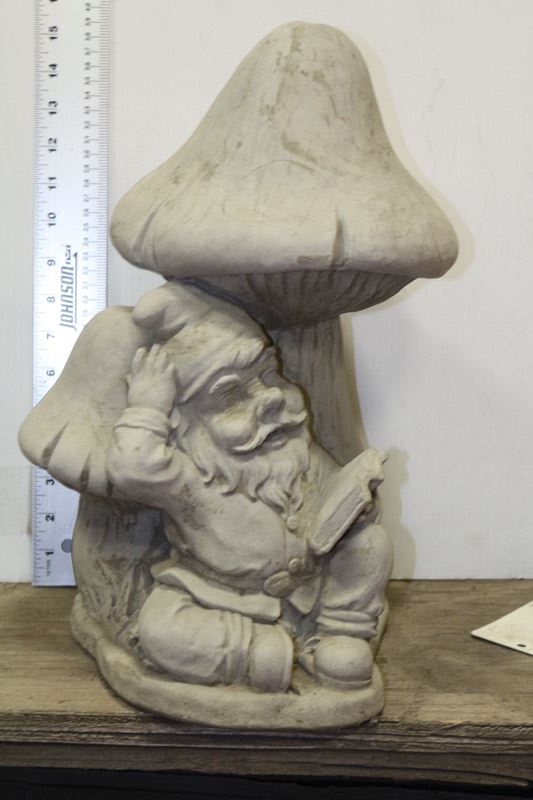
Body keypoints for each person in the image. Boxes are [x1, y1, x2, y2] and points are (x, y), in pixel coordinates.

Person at [107, 282, 392, 693]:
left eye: (269, 375)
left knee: (370, 544)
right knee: (162, 631)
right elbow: (132, 468)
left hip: (307, 589)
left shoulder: (295, 453)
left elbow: (335, 493)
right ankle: (262, 653)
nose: (269, 398)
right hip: (217, 598)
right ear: (186, 425)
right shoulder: (189, 477)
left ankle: (337, 634)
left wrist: (359, 504)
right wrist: (148, 407)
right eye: (232, 395)